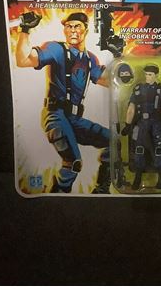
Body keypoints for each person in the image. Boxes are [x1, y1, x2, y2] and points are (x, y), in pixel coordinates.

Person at [15, 11, 118, 193]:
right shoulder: (57, 49)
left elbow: (114, 81)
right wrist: (25, 30)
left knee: (115, 141)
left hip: (74, 118)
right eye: (68, 26)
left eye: (77, 26)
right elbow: (23, 60)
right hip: (55, 115)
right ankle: (58, 196)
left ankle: (101, 190)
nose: (72, 30)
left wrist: (117, 55)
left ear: (86, 30)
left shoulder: (90, 59)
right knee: (73, 162)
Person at [122, 64, 161, 190]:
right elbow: (131, 109)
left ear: (156, 75)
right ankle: (138, 177)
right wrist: (127, 124)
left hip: (156, 123)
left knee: (159, 148)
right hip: (141, 124)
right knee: (139, 148)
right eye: (146, 74)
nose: (147, 77)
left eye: (150, 74)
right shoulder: (138, 89)